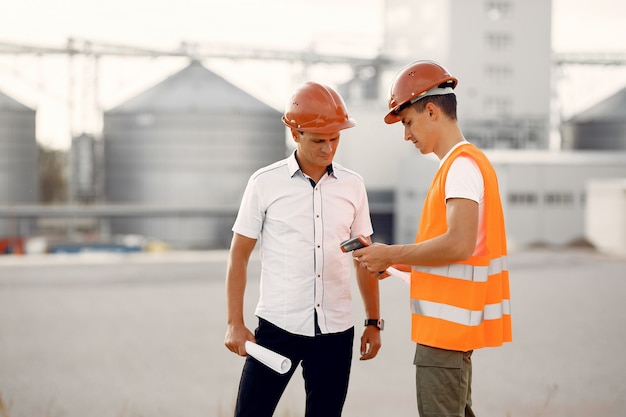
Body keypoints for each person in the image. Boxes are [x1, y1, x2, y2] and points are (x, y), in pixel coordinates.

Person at [353, 60, 512, 417]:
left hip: (445, 339)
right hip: (451, 335)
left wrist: (391, 252)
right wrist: (391, 261)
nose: (406, 135)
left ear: (430, 111)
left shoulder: (460, 168)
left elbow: (458, 244)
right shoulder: (464, 166)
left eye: (407, 122)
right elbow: (456, 256)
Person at [224, 81, 382, 417]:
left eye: (335, 139)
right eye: (318, 140)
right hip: (277, 327)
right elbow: (239, 256)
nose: (328, 149)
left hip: (336, 332)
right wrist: (234, 323)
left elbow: (363, 257)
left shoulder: (353, 186)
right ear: (295, 135)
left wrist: (373, 321)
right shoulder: (264, 183)